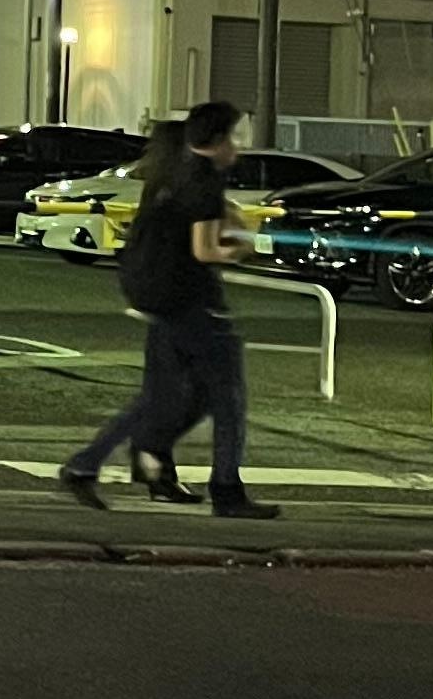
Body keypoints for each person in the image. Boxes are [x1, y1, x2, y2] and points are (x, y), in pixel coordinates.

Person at [57, 98, 278, 521]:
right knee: (228, 399)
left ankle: (87, 464)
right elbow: (205, 250)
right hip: (197, 306)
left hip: (162, 303)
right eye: (234, 138)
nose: (238, 147)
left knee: (160, 399)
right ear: (217, 140)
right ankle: (227, 490)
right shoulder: (204, 183)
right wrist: (244, 246)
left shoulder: (168, 173)